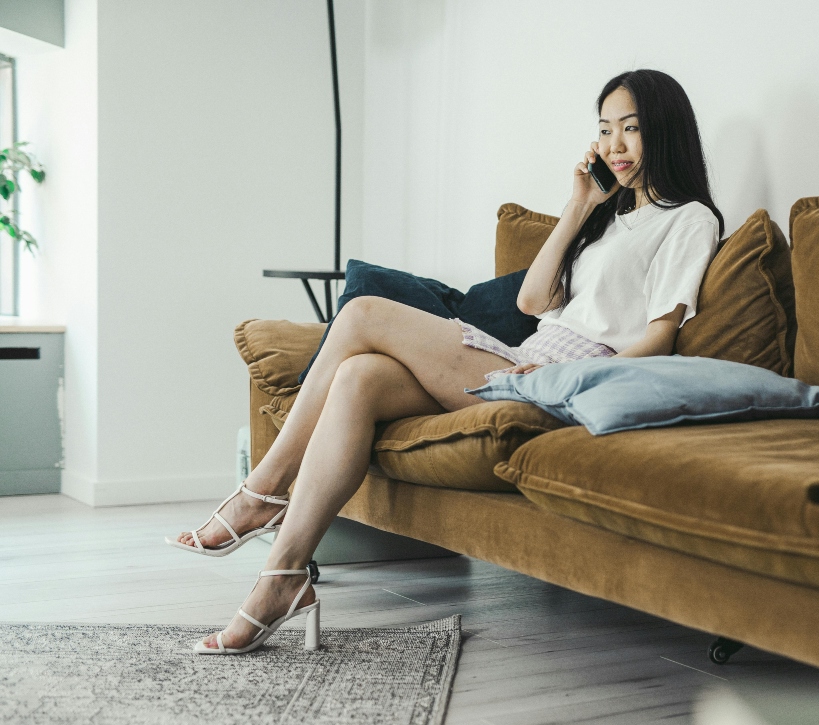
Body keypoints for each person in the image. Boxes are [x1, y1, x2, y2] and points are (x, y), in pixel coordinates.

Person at [171, 68, 724, 655]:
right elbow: (533, 303)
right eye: (605, 130)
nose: (614, 146)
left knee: (361, 315)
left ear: (664, 132)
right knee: (358, 376)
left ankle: (259, 494)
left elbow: (660, 337)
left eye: (631, 130)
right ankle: (283, 580)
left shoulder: (690, 219)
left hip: (562, 386)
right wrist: (578, 204)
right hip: (523, 360)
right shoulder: (607, 219)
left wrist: (564, 380)